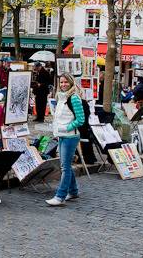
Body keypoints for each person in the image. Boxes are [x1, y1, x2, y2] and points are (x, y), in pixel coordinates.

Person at [46, 72, 84, 207]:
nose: (63, 84)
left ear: (71, 83)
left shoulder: (73, 98)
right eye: (61, 82)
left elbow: (81, 120)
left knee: (65, 167)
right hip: (62, 135)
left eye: (66, 82)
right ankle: (73, 191)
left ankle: (60, 196)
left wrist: (67, 128)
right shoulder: (61, 97)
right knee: (66, 165)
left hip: (70, 136)